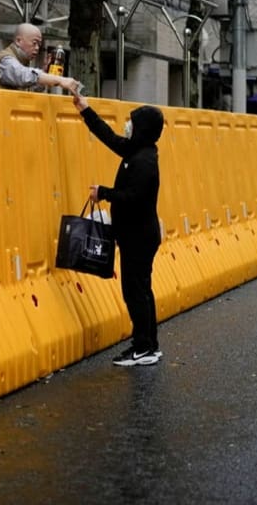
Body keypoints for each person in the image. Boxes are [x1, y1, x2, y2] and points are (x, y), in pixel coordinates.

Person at [73, 92, 164, 366]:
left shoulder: (145, 162)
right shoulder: (138, 151)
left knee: (135, 292)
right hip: (137, 236)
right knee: (142, 290)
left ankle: (143, 347)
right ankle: (148, 345)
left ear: (143, 129)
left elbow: (134, 197)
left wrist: (104, 192)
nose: (128, 126)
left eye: (133, 123)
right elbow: (111, 139)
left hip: (139, 237)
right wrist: (85, 110)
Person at [0, 22, 81, 93]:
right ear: (18, 40)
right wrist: (60, 80)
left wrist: (45, 72)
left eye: (39, 45)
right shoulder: (6, 60)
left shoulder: (21, 61)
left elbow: (29, 89)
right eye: (34, 43)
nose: (37, 48)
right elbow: (23, 75)